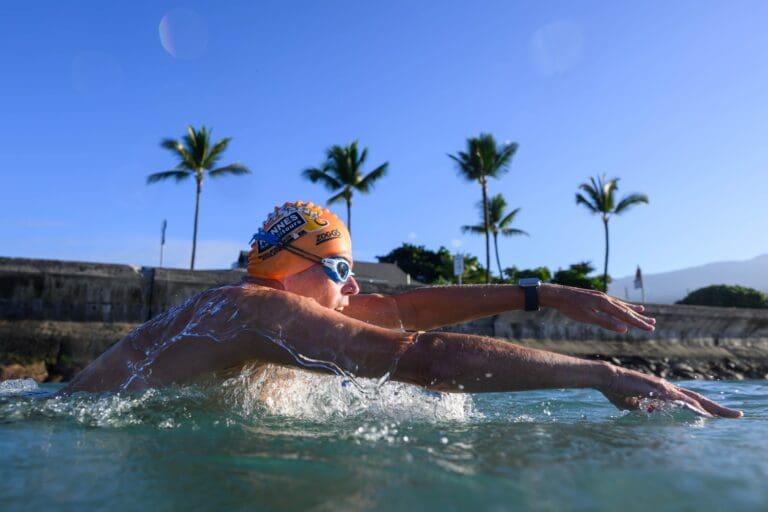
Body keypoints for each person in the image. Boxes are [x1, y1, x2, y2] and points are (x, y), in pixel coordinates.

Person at [62, 201, 742, 418]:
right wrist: (603, 374)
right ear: (293, 268)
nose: (354, 291)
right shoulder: (254, 310)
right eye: (341, 272)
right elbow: (421, 356)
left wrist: (545, 292)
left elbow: (402, 309)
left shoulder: (235, 310)